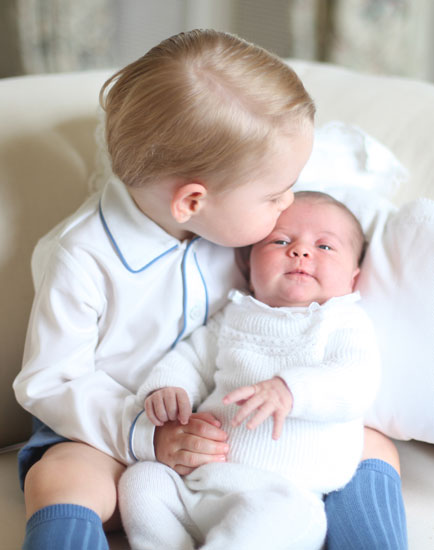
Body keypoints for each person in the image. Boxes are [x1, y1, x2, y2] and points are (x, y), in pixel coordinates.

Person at [11, 29, 406, 550]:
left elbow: (331, 186)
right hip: (114, 431)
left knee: (373, 443)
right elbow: (49, 382)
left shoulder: (239, 213)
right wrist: (147, 434)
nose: (287, 203)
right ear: (192, 202)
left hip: (248, 428)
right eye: (275, 194)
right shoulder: (82, 257)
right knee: (60, 475)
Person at [118, 191, 381, 550]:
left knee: (283, 516)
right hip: (200, 483)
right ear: (248, 263)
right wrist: (167, 388)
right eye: (281, 241)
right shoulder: (236, 315)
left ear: (353, 278)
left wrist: (291, 390)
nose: (301, 252)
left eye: (325, 247)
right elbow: (192, 357)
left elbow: (357, 381)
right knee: (142, 480)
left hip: (284, 494)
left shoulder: (343, 321)